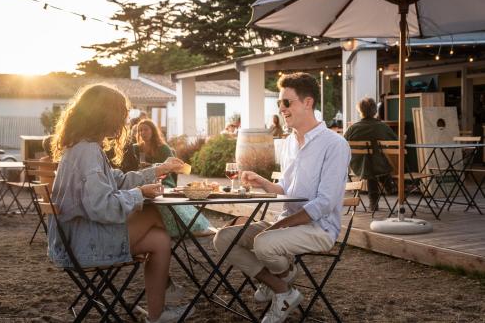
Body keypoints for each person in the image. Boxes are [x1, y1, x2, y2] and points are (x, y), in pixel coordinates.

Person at [213, 72, 350, 323]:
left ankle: (282, 279)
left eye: (287, 102)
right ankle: (282, 287)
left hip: (318, 229)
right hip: (286, 223)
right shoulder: (288, 143)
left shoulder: (335, 144)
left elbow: (325, 202)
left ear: (308, 103)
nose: (281, 109)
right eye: (279, 103)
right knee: (223, 239)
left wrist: (279, 226)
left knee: (264, 243)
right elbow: (286, 187)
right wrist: (264, 182)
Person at [49, 84, 189, 323]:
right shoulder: (88, 152)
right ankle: (175, 268)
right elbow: (102, 206)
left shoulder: (83, 147)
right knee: (154, 213)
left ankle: (157, 314)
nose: (125, 121)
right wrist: (139, 194)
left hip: (76, 238)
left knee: (160, 239)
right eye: (122, 114)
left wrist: (160, 169)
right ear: (105, 115)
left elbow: (118, 181)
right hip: (83, 244)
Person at [133, 118, 211, 237]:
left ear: (153, 131)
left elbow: (173, 168)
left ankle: (185, 226)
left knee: (159, 195)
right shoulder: (135, 148)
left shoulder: (163, 148)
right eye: (140, 130)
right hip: (143, 180)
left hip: (164, 180)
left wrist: (153, 167)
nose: (142, 133)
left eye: (146, 129)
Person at [344, 97, 398, 212]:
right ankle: (388, 184)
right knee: (376, 161)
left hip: (357, 167)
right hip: (379, 166)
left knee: (369, 164)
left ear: (360, 111)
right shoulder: (382, 126)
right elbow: (396, 141)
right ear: (375, 111)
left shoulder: (352, 128)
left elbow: (342, 144)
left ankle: (374, 202)